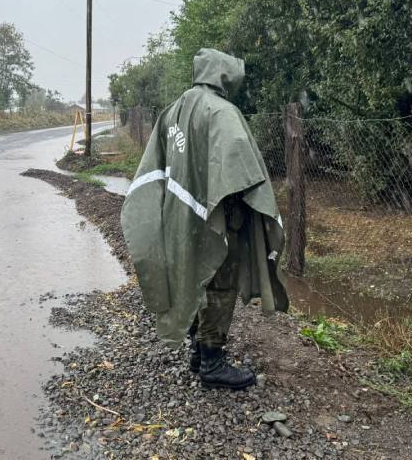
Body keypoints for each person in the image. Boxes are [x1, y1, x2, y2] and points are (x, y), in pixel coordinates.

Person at [120, 48, 288, 390]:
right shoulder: (222, 112)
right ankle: (212, 361)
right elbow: (241, 173)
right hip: (217, 219)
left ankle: (198, 352)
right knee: (220, 282)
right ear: (224, 75)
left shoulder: (175, 109)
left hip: (181, 218)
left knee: (193, 275)